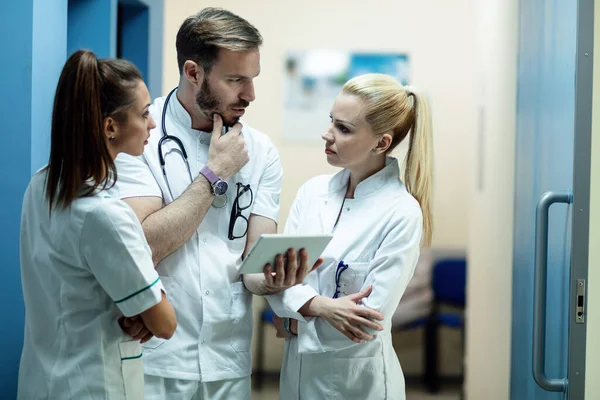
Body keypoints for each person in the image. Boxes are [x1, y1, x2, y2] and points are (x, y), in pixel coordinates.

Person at [111, 8, 318, 399]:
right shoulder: (140, 135)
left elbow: (252, 265)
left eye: (252, 79)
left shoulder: (260, 151)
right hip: (155, 358)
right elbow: (140, 244)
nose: (250, 95)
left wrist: (276, 277)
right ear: (193, 73)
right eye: (235, 80)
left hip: (227, 360)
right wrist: (215, 173)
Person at [18, 50, 177, 400]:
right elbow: (165, 324)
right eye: (145, 113)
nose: (152, 124)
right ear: (110, 127)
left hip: (41, 381)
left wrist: (140, 307)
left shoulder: (39, 187)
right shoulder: (105, 215)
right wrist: (150, 307)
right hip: (95, 386)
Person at [266, 73, 434, 400]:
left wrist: (292, 324)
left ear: (381, 143)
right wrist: (321, 306)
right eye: (331, 121)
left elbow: (366, 321)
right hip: (296, 380)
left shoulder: (401, 212)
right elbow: (277, 280)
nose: (326, 134)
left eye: (343, 129)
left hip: (357, 385)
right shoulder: (311, 193)